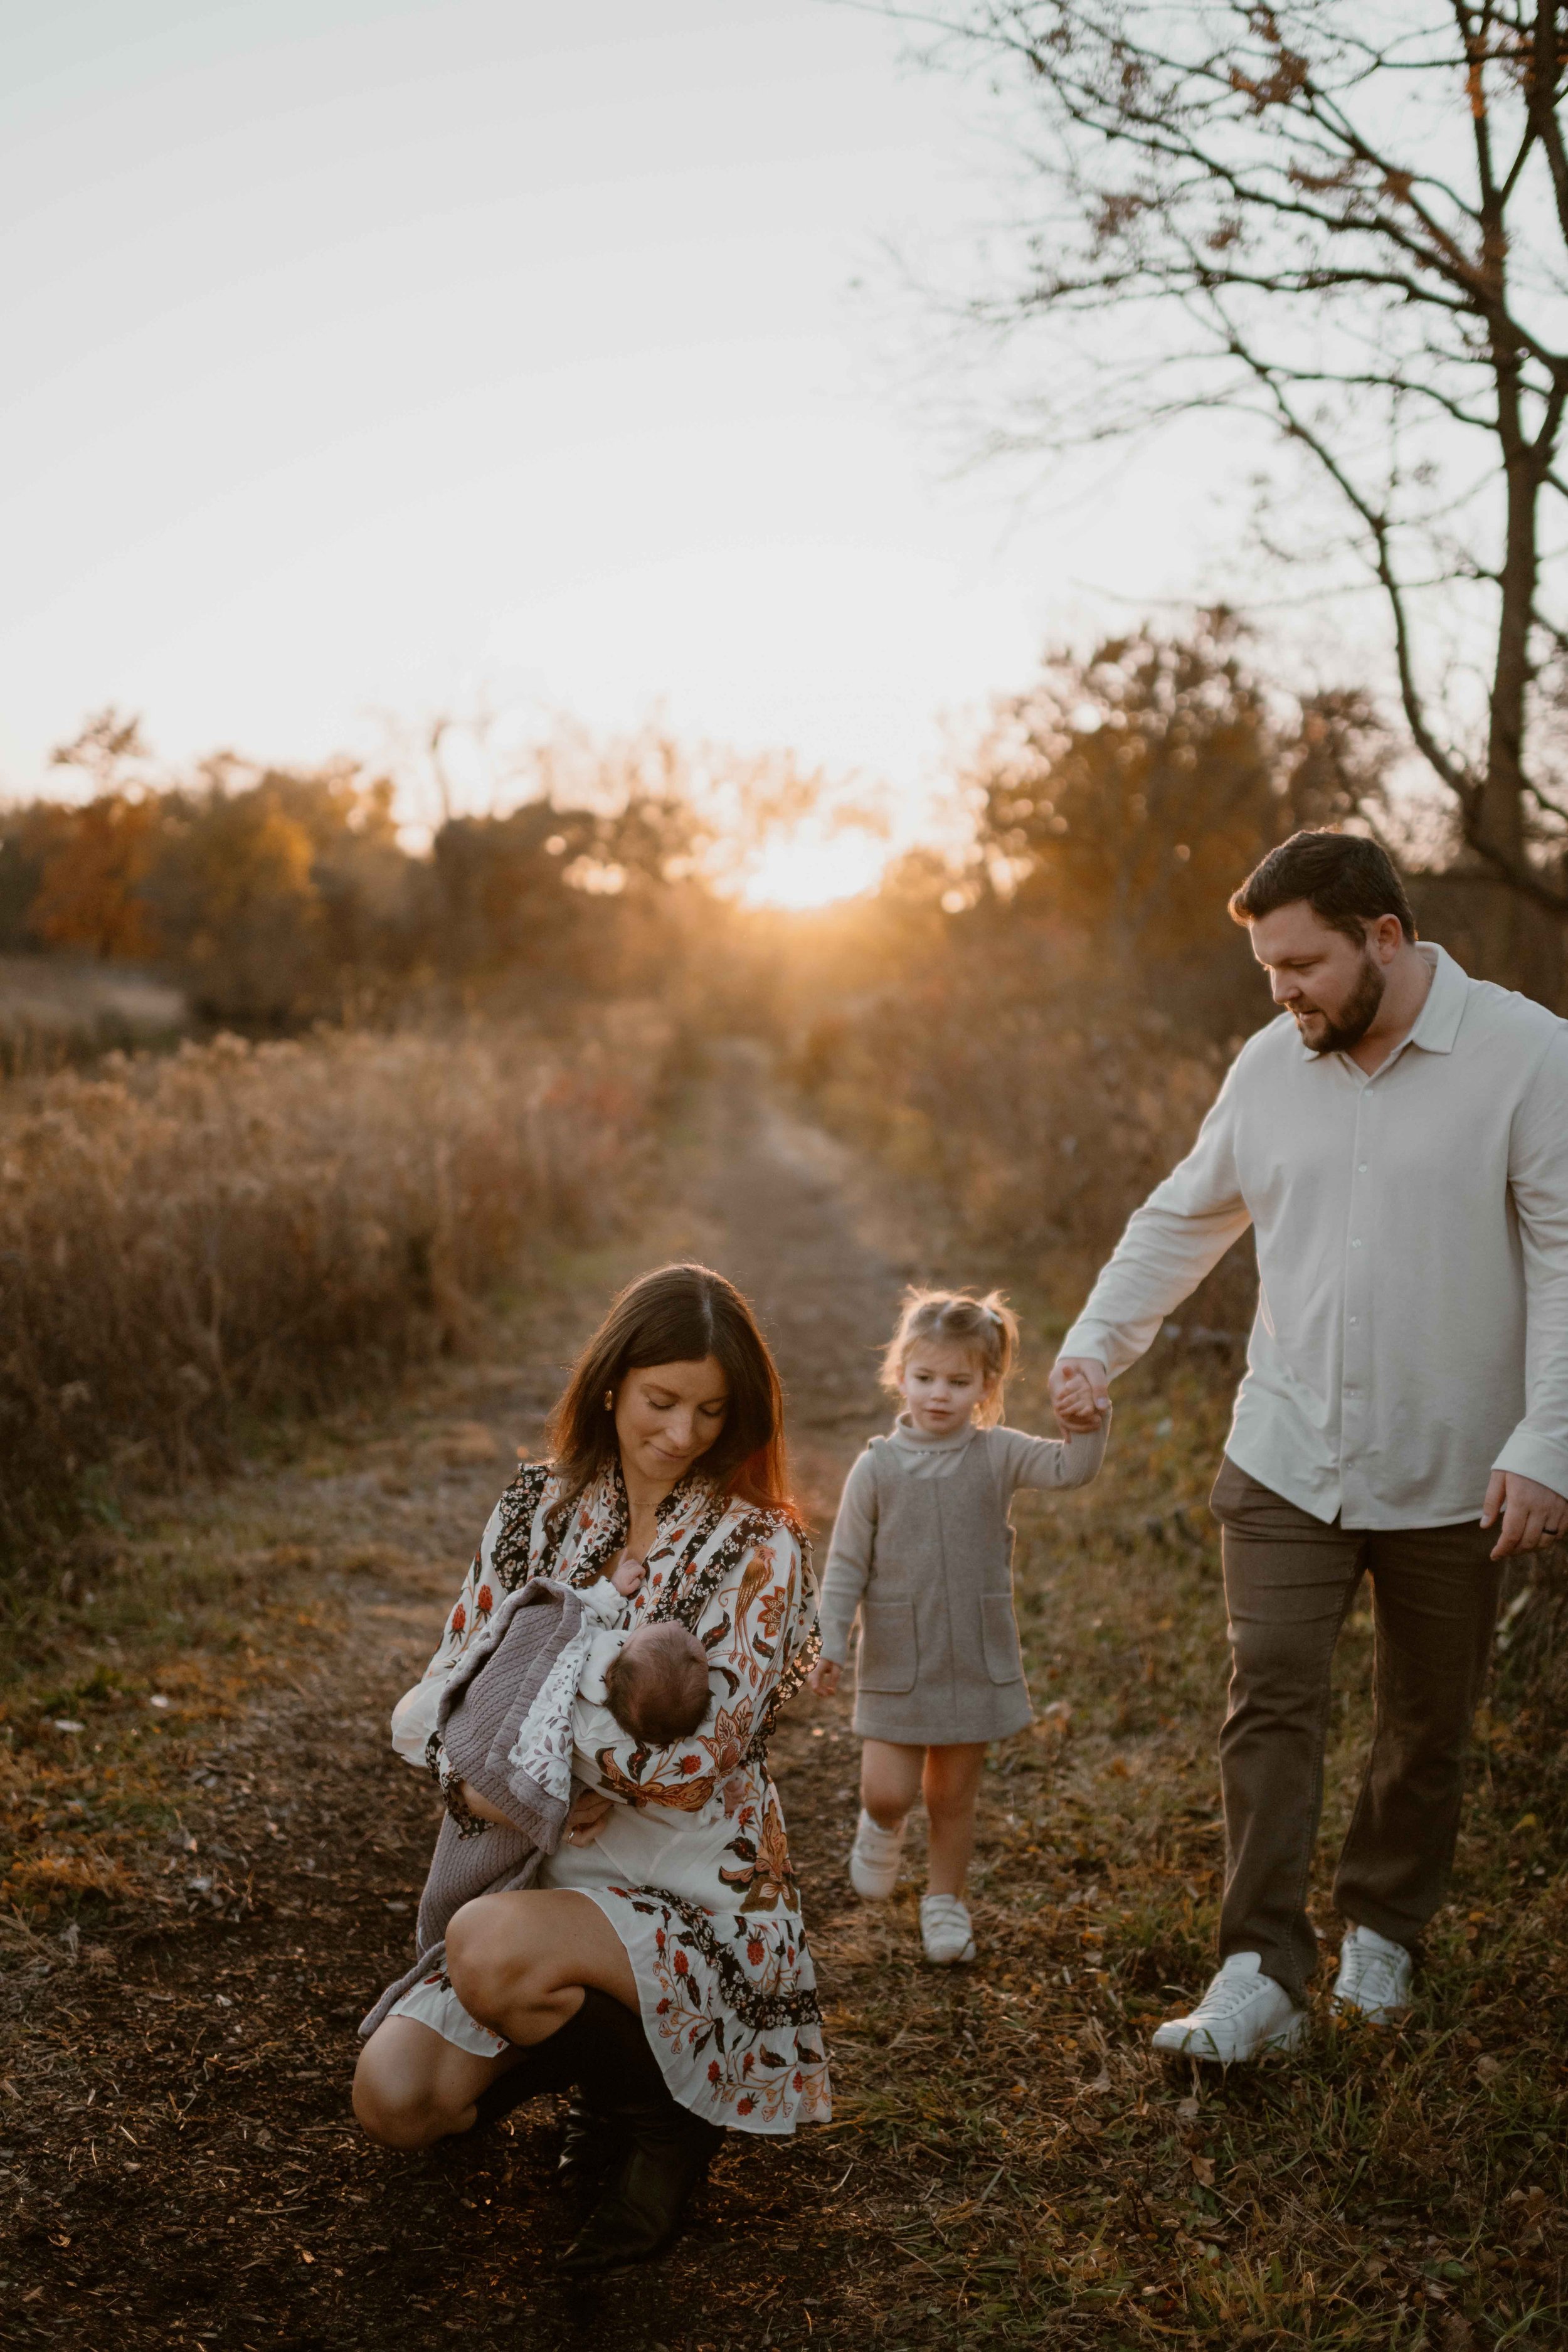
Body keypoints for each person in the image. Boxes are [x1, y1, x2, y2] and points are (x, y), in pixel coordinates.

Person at [1049, 830, 1568, 2064]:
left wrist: (1546, 1440)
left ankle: (1380, 1934)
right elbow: (1181, 1216)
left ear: (1382, 939)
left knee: (1422, 1723)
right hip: (1285, 1453)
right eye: (1264, 968)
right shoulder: (1267, 1065)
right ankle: (1257, 1975)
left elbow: (1562, 1257)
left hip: (1456, 1471)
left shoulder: (1526, 1054)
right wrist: (1092, 1345)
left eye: (1300, 964)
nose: (1279, 991)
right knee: (1269, 1704)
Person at [353, 1263, 831, 2271]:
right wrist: (468, 1776)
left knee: (485, 1947)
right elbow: (433, 1699)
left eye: (712, 1410)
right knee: (395, 2100)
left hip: (694, 1885)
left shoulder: (760, 1547)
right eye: (662, 1401)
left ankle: (663, 2119)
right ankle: (607, 2079)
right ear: (612, 1383)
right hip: (544, 1877)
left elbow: (699, 1761)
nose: (685, 1433)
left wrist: (531, 1763)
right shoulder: (535, 1508)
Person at [809, 1289, 1108, 1965]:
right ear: (899, 1375)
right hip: (896, 1656)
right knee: (888, 1789)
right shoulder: (876, 1466)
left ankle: (945, 1902)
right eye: (924, 1378)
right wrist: (830, 1640)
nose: (938, 1394)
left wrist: (1087, 1420)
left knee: (952, 1796)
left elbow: (1071, 1469)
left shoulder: (997, 1453)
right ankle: (881, 1826)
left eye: (957, 1381)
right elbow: (846, 1563)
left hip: (971, 1656)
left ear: (985, 1386)